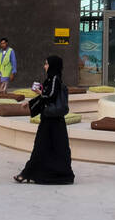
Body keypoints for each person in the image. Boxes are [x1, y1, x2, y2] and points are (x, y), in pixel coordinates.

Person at [13, 55, 75, 185]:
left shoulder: (55, 79)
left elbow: (50, 96)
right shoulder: (51, 79)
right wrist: (30, 103)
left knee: (44, 147)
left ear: (52, 65)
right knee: (51, 147)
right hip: (52, 120)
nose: (44, 66)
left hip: (52, 120)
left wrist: (39, 92)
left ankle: (28, 173)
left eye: (46, 64)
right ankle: (32, 173)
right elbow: (45, 97)